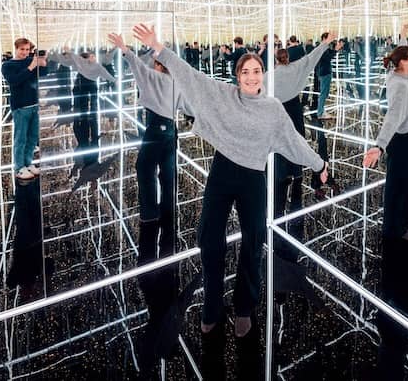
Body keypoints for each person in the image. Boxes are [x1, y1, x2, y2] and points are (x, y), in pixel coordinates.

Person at [131, 23, 327, 373]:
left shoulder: (272, 109)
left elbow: (294, 142)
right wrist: (159, 49)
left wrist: (320, 164)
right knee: (210, 240)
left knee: (253, 242)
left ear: (263, 75)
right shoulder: (224, 95)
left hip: (253, 178)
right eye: (245, 72)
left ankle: (244, 309)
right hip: (222, 173)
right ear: (238, 76)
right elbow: (191, 77)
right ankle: (211, 307)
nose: (252, 77)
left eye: (256, 71)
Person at [361, 45, 408, 378]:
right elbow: (392, 117)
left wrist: (401, 38)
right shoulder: (399, 85)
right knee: (401, 185)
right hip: (399, 141)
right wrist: (379, 146)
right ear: (404, 63)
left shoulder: (400, 75)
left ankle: (397, 226)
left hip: (406, 138)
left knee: (407, 185)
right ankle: (393, 230)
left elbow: (394, 64)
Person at [108, 33, 184, 259]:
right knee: (168, 173)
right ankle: (168, 211)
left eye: (154, 61)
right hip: (171, 129)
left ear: (159, 65)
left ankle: (150, 215)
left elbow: (136, 65)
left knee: (144, 168)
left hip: (155, 129)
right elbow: (185, 105)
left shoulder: (154, 77)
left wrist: (124, 48)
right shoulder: (176, 81)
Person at [269, 33, 338, 238]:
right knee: (298, 140)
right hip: (295, 109)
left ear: (276, 59)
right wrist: (325, 43)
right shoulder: (296, 68)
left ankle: (282, 174)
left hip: (278, 110)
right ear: (288, 58)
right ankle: (297, 171)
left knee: (280, 143)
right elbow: (312, 58)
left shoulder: (270, 76)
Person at [52, 48, 115, 168]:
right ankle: (89, 119)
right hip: (88, 87)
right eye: (91, 56)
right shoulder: (90, 66)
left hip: (82, 87)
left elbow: (75, 59)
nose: (93, 58)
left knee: (85, 109)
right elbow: (105, 74)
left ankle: (86, 119)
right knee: (89, 107)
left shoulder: (85, 66)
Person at [2, 38, 46, 180]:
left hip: (34, 105)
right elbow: (14, 81)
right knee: (20, 139)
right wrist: (31, 67)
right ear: (16, 49)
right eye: (22, 49)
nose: (25, 52)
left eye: (27, 50)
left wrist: (43, 63)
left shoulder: (30, 61)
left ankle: (28, 163)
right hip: (20, 107)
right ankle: (19, 167)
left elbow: (43, 74)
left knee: (32, 138)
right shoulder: (8, 65)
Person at [314, 31, 341, 120]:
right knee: (323, 93)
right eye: (329, 38)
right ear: (324, 38)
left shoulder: (324, 47)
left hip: (325, 71)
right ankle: (320, 112)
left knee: (324, 93)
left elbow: (329, 54)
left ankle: (321, 110)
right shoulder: (322, 48)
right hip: (324, 72)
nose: (331, 40)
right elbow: (328, 57)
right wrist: (336, 50)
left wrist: (335, 50)